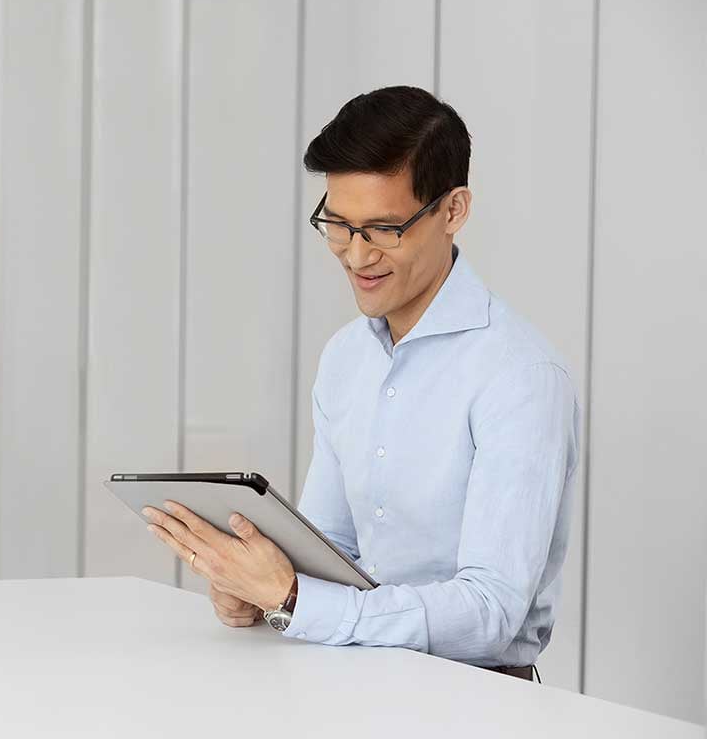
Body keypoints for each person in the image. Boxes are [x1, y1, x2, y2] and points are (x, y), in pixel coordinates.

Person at [143, 85, 580, 683]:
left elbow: (490, 613)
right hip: (350, 680)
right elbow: (331, 555)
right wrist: (255, 592)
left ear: (453, 210)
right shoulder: (346, 357)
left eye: (382, 229)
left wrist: (295, 598)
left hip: (479, 702)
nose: (354, 255)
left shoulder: (520, 376)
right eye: (338, 225)